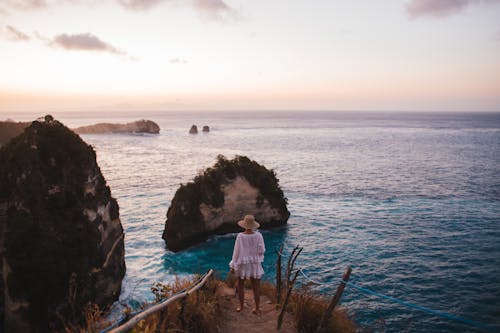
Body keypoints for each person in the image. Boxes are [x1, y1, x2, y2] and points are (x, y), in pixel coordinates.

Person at [229, 214, 266, 314]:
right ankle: (257, 308)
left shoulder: (240, 236)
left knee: (240, 285)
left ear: (244, 225)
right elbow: (262, 250)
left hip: (243, 264)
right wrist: (254, 256)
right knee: (256, 287)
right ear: (253, 225)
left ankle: (241, 307)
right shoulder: (259, 235)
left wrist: (233, 264)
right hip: (254, 263)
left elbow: (236, 252)